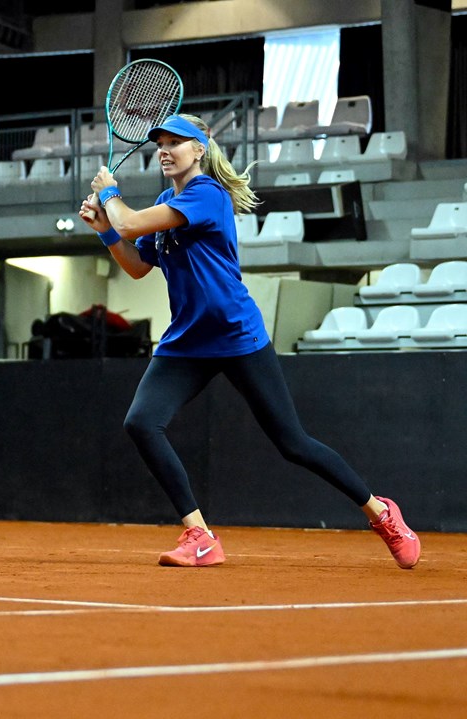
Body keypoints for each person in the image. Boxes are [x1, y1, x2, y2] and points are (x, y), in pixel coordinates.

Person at [79, 114, 420, 569]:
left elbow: (130, 223)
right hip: (187, 342)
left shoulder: (208, 195)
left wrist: (110, 195)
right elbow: (138, 265)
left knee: (293, 443)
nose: (165, 149)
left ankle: (382, 513)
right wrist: (104, 228)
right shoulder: (166, 199)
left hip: (237, 336)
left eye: (176, 142)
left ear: (199, 149)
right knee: (141, 422)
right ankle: (199, 534)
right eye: (160, 142)